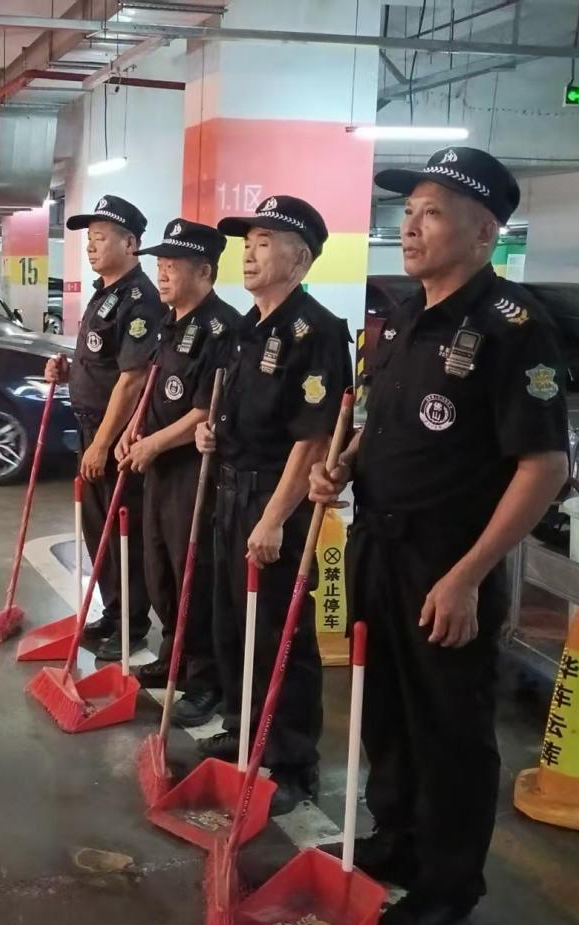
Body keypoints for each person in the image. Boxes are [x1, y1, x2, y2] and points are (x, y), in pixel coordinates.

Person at [310, 147, 568, 925]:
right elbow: (377, 426)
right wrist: (340, 466)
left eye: (430, 213)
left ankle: (446, 887)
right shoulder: (398, 317)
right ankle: (394, 838)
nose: (409, 226)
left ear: (484, 231)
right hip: (377, 546)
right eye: (407, 211)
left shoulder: (513, 328)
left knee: (448, 730)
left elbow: (543, 466)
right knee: (383, 709)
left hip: (446, 563)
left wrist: (465, 578)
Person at [193, 195, 352, 814]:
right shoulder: (246, 328)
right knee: (234, 620)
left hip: (272, 497)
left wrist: (274, 518)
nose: (249, 254)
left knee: (281, 632)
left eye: (264, 243)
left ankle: (291, 760)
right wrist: (210, 432)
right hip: (230, 488)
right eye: (247, 242)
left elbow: (313, 437)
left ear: (300, 258)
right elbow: (232, 408)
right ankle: (244, 727)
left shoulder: (316, 331)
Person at [115, 218, 238, 726]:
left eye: (172, 266)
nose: (161, 275)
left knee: (195, 574)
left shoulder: (221, 329)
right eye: (160, 265)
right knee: (160, 569)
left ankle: (205, 679)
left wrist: (154, 444)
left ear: (204, 271)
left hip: (195, 472)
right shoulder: (169, 322)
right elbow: (152, 390)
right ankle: (175, 658)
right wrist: (132, 431)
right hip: (159, 469)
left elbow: (205, 410)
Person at [46, 195, 165, 659]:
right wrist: (66, 371)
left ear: (130, 243)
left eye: (100, 238)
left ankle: (132, 623)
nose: (91, 247)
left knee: (123, 534)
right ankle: (114, 611)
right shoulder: (105, 293)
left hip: (115, 440)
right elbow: (102, 363)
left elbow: (133, 380)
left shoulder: (140, 300)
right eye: (89, 239)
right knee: (99, 532)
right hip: (91, 429)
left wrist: (102, 444)